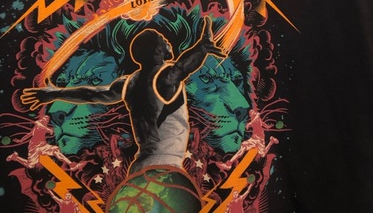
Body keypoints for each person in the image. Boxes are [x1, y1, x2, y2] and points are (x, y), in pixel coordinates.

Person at [21, 18, 226, 174]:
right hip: (163, 166)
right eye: (163, 40)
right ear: (157, 50)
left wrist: (54, 93)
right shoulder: (163, 76)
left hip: (140, 167)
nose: (167, 41)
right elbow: (181, 68)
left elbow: (91, 94)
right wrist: (201, 49)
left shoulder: (128, 83)